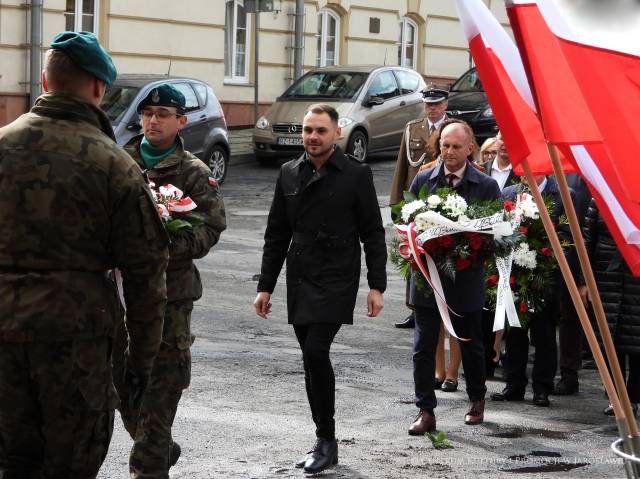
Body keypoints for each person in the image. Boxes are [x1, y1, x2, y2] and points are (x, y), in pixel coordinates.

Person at [0, 31, 169, 477]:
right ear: (99, 88)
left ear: (43, 81)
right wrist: (139, 365)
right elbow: (147, 276)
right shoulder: (113, 164)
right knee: (71, 466)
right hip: (75, 344)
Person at [254, 104, 387, 474]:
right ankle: (323, 439)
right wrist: (266, 286)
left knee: (315, 352)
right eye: (308, 131)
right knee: (309, 359)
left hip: (337, 276)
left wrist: (377, 286)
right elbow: (276, 234)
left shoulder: (356, 174)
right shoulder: (288, 172)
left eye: (320, 131)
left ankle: (326, 440)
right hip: (301, 275)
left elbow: (373, 233)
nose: (312, 137)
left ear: (336, 133)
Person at [112, 83, 227, 478]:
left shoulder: (192, 172)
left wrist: (163, 249)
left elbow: (210, 228)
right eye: (147, 114)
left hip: (169, 299)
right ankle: (158, 445)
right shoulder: (118, 162)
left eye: (162, 115)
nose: (152, 121)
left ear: (181, 121)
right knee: (122, 387)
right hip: (120, 298)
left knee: (162, 386)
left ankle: (150, 461)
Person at [407, 120, 500, 434]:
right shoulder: (423, 179)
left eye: (456, 146)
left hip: (465, 280)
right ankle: (425, 410)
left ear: (470, 148)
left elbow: (494, 236)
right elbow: (406, 223)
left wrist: (464, 248)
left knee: (471, 344)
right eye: (445, 145)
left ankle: (476, 398)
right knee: (423, 346)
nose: (448, 152)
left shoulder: (485, 186)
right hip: (428, 281)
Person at [491, 175, 572, 407]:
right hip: (514, 276)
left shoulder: (563, 196)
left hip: (546, 278)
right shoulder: (508, 193)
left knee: (544, 334)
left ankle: (542, 388)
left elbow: (568, 238)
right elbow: (498, 231)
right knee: (514, 332)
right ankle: (513, 384)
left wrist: (546, 263)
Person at [390, 87, 449, 329]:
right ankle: (415, 310)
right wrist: (396, 203)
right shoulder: (413, 128)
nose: (432, 108)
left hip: (444, 200)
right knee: (413, 253)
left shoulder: (455, 128)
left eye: (436, 104)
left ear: (446, 104)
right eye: (428, 104)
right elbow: (403, 165)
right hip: (415, 200)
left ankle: (445, 308)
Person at [579, 201, 640, 415]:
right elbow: (586, 240)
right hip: (605, 277)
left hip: (636, 277)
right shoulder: (600, 197)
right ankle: (616, 397)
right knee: (608, 341)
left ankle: (633, 396)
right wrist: (583, 280)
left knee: (636, 341)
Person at [554, 174, 592, 396]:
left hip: (597, 255)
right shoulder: (567, 178)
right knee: (568, 317)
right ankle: (567, 375)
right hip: (570, 254)